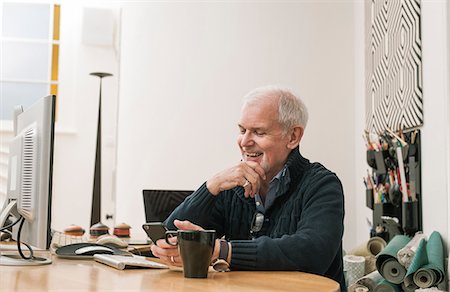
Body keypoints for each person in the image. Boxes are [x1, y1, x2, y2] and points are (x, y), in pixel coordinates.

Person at [151, 85, 345, 290]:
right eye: (242, 130)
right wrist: (211, 186)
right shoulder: (231, 185)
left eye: (259, 132)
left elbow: (313, 252)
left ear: (293, 137)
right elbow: (169, 236)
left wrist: (221, 250)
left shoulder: (322, 184)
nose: (244, 142)